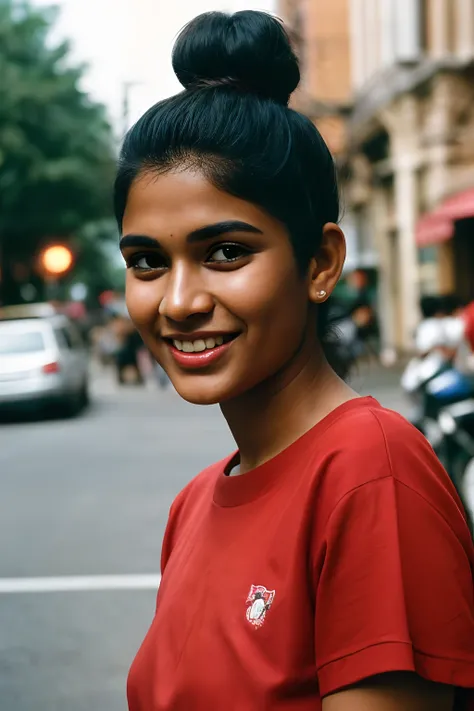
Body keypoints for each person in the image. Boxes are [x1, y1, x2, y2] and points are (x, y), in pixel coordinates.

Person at [115, 11, 474, 711]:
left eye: (226, 252)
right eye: (148, 261)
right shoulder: (191, 505)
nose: (179, 301)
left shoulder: (370, 476)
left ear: (320, 261)